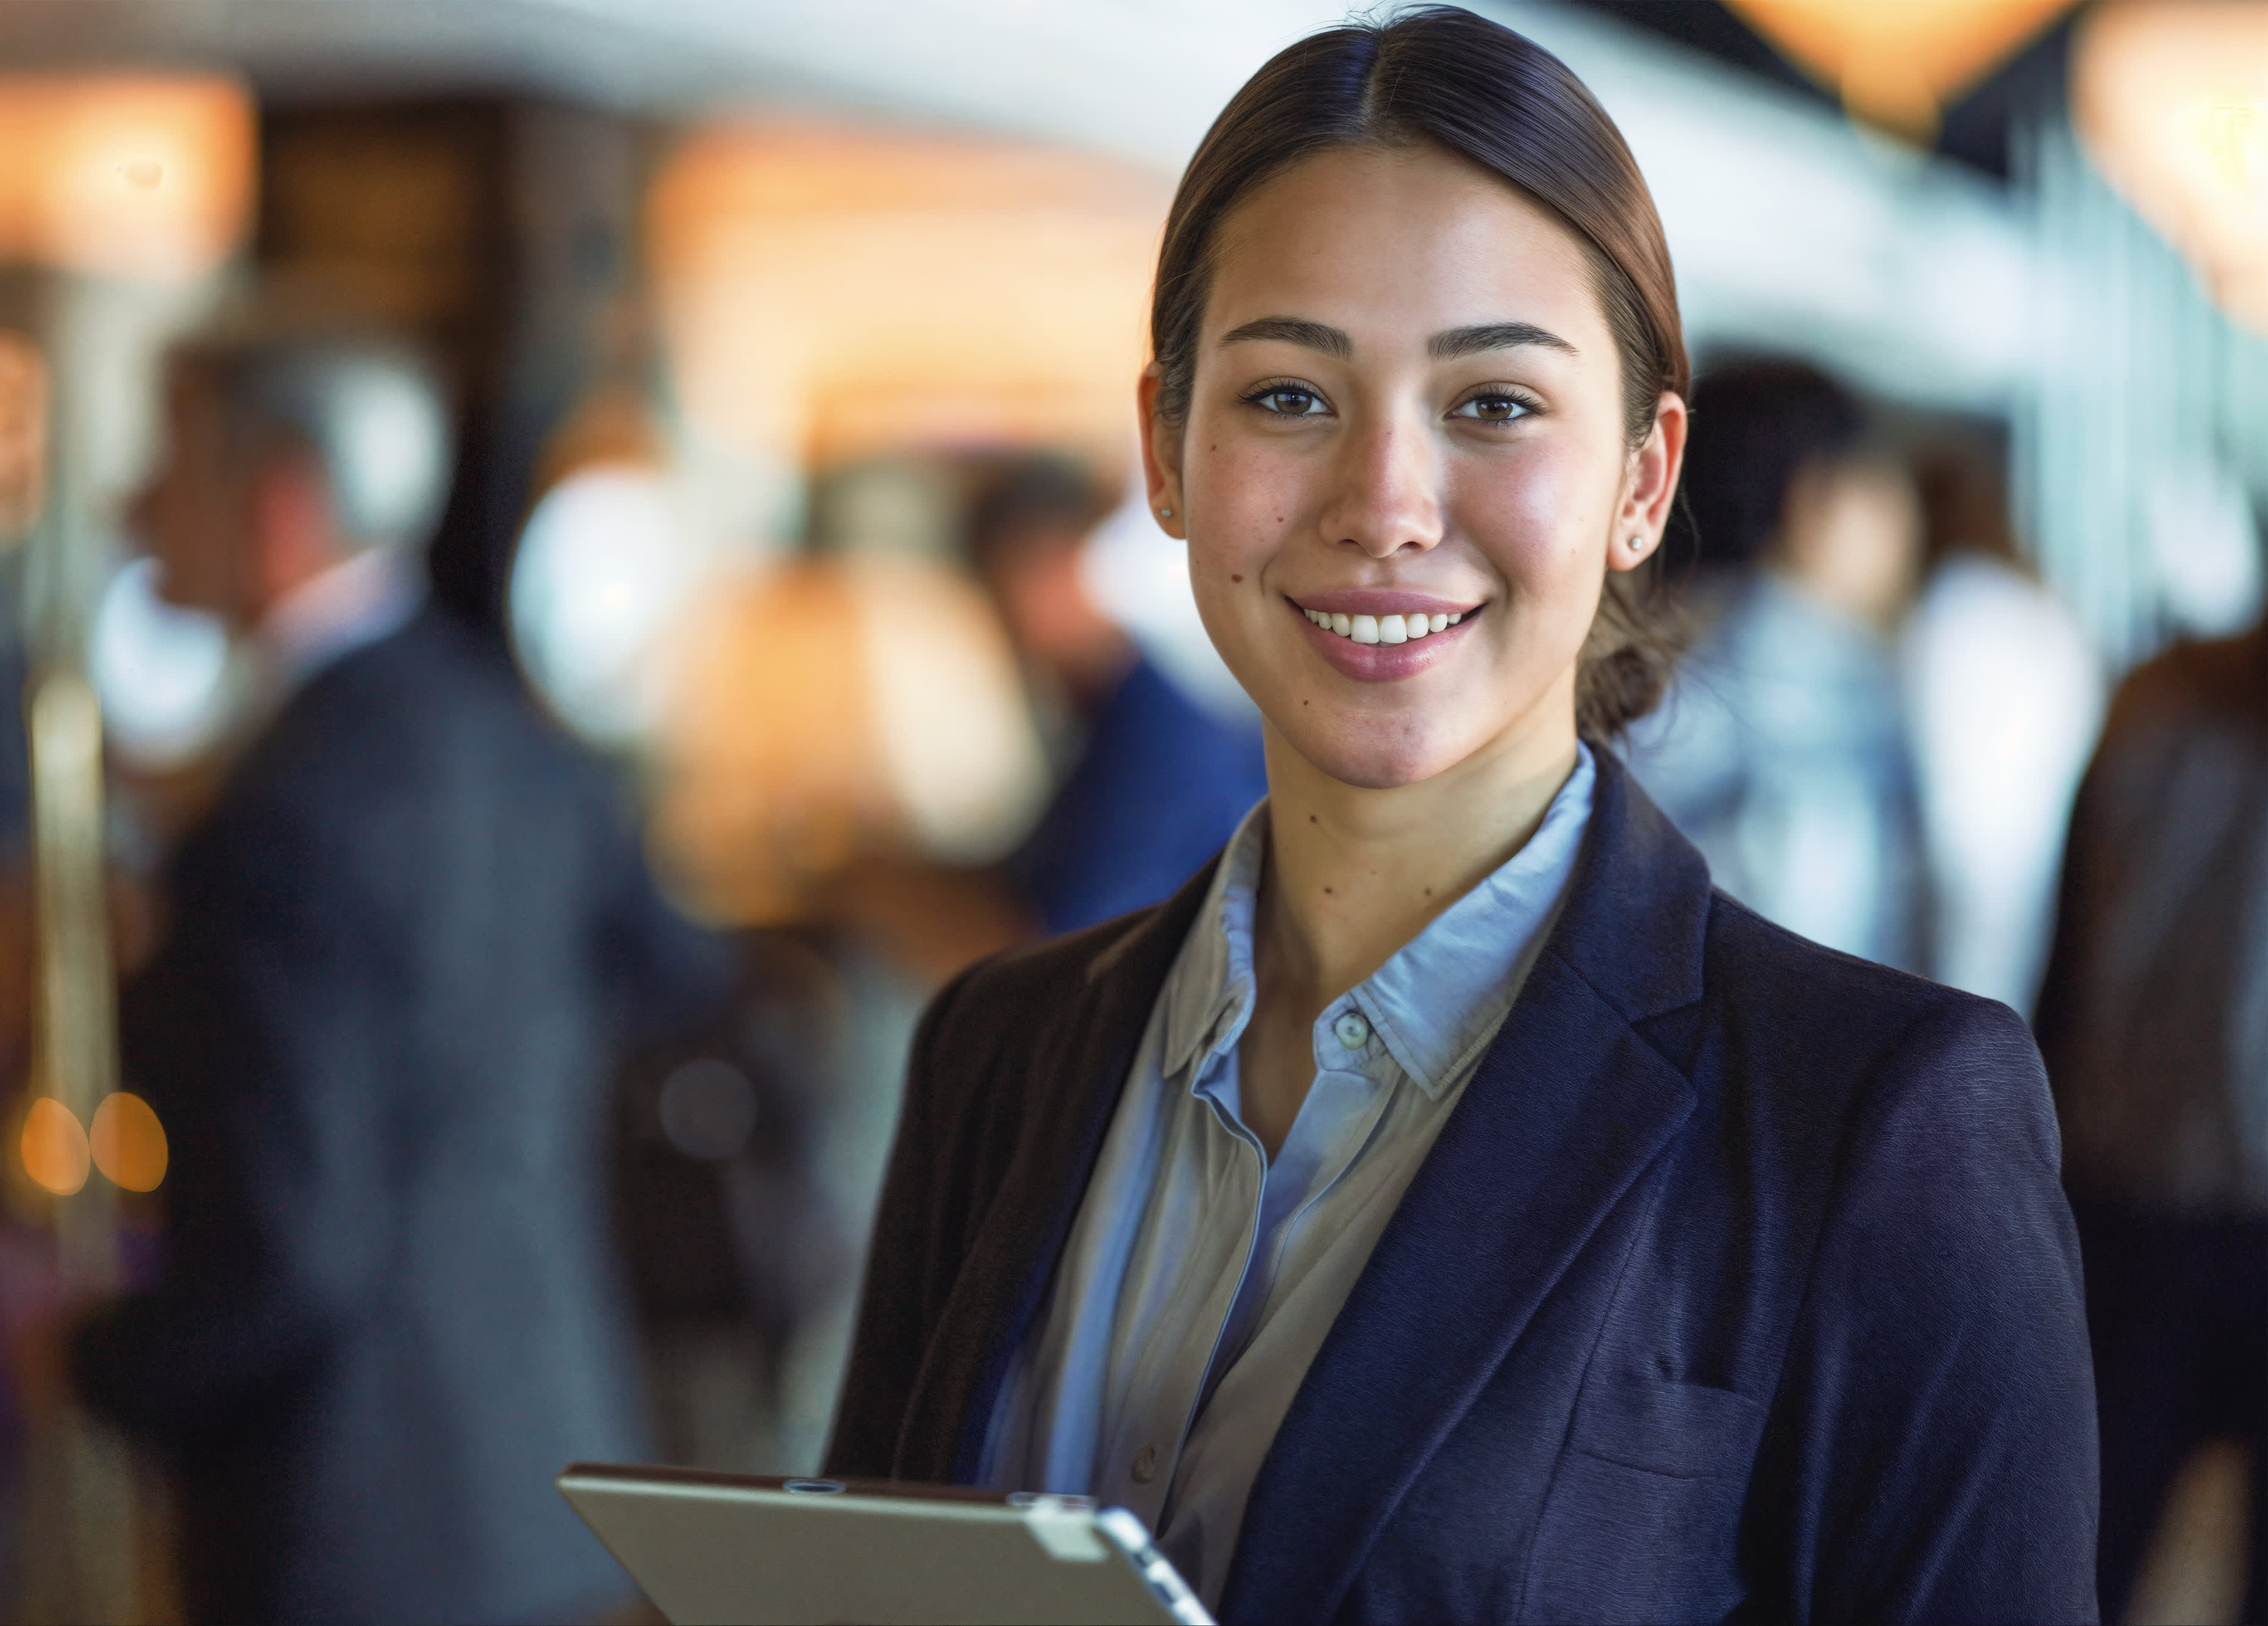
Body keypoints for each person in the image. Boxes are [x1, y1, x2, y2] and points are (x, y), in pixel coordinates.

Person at [825, 10, 2097, 1622]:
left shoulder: (1876, 1122)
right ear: (1166, 447)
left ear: (1644, 480)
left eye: (1494, 404)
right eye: (1290, 396)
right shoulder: (1000, 1055)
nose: (1386, 505)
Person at [70, 313, 730, 1624]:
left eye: (169, 461)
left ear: (278, 503)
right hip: (545, 1467)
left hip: (344, 1521)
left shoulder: (276, 814)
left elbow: (290, 1254)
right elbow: (674, 977)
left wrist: (94, 1356)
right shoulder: (518, 739)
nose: (133, 504)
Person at [2036, 613, 2268, 1624]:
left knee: (2081, 1546)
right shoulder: (2157, 696)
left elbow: (2067, 966)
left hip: (2128, 1180)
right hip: (2142, 1186)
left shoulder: (2151, 693)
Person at [1625, 359, 1930, 972]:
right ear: (1813, 501)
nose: (1906, 524)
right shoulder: (1819, 676)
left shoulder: (1646, 662)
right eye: (1881, 486)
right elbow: (1832, 937)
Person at [968, 454, 1268, 935]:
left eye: (995, 594)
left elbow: (1059, 960)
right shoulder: (1108, 719)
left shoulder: (1161, 745)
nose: (999, 630)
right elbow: (1028, 880)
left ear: (1053, 565)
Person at [1902, 443, 2103, 1015]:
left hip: (1975, 859)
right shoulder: (2040, 601)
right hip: (2049, 848)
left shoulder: (1953, 604)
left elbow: (1942, 752)